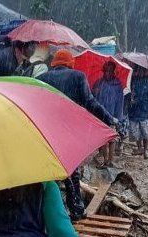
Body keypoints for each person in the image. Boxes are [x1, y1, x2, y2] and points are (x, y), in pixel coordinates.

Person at [38, 50, 119, 219]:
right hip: (68, 131)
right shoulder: (77, 76)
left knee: (48, 171)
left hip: (47, 131)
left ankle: (43, 212)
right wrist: (109, 118)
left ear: (54, 63)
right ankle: (75, 209)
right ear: (70, 63)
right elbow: (90, 102)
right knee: (71, 170)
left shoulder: (42, 79)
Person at [92, 61, 125, 167]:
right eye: (106, 71)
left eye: (110, 71)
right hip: (101, 115)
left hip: (113, 115)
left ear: (113, 71)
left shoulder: (117, 85)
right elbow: (93, 99)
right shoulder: (98, 83)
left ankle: (111, 160)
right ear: (103, 71)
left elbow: (120, 102)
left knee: (112, 138)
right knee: (103, 139)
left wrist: (118, 118)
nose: (108, 73)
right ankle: (105, 160)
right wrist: (95, 92)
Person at [126, 67, 148, 158]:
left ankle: (145, 151)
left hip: (144, 110)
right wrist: (131, 97)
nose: (140, 72)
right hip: (133, 110)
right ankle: (139, 148)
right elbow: (128, 91)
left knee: (145, 132)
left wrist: (138, 100)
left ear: (145, 71)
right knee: (135, 132)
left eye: (142, 70)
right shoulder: (133, 80)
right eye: (138, 70)